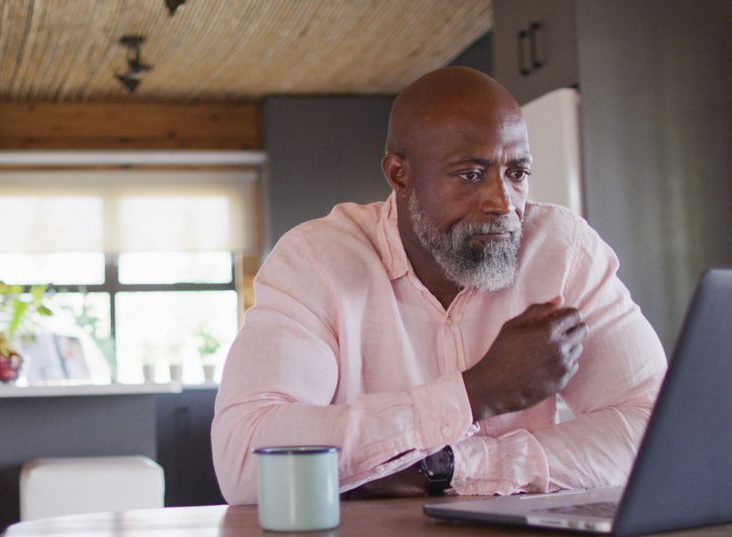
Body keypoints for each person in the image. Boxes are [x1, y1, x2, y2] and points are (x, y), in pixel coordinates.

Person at [211, 67, 666, 504]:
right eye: (470, 174)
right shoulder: (317, 261)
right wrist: (476, 392)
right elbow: (247, 459)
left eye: (517, 173)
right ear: (399, 175)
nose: (503, 203)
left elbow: (659, 430)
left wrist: (448, 467)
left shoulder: (562, 251)